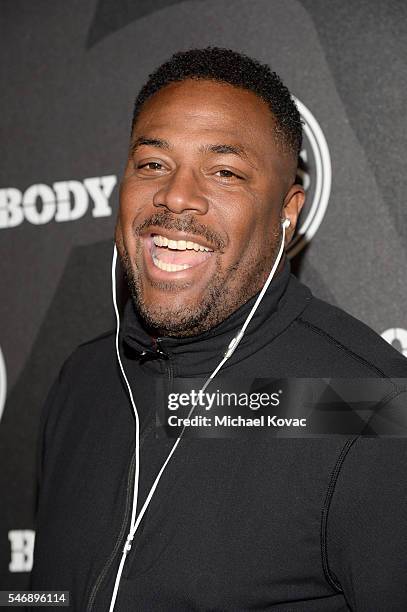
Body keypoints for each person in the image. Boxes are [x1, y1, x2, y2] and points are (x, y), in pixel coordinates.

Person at [31, 47, 407, 611]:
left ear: (289, 210)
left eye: (224, 172)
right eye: (153, 164)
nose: (176, 195)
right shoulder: (82, 381)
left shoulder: (372, 409)